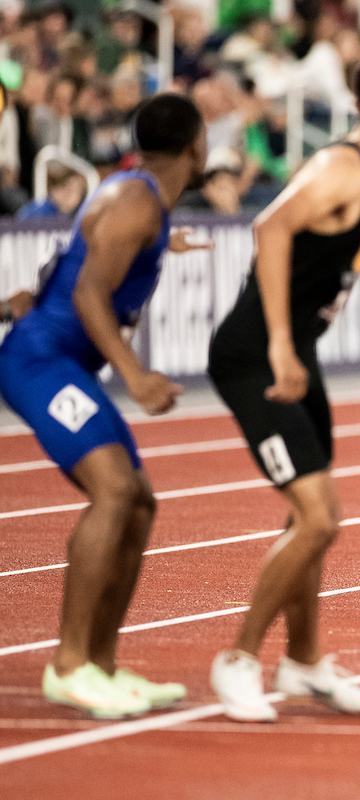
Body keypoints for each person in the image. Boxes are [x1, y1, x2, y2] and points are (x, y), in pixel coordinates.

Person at [206, 53, 360, 723]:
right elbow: (270, 227)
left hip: (296, 353)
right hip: (256, 356)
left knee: (312, 519)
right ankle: (239, 659)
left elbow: (320, 227)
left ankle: (302, 663)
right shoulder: (343, 167)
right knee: (320, 518)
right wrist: (276, 344)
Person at [0, 94, 208, 719]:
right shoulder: (135, 200)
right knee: (115, 492)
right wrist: (137, 377)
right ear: (197, 147)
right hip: (39, 363)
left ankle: (102, 666)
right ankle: (69, 664)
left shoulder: (144, 204)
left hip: (60, 360)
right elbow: (91, 292)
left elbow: (72, 265)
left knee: (140, 503)